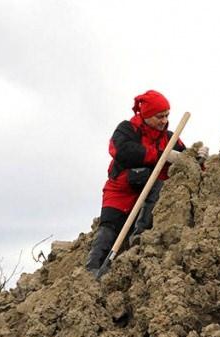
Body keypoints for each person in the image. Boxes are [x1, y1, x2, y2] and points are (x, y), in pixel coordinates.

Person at [85, 90, 209, 276]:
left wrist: (198, 159)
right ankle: (91, 271)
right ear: (146, 115)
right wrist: (160, 155)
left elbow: (187, 163)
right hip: (121, 188)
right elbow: (122, 150)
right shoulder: (127, 129)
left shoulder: (170, 138)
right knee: (109, 226)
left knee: (158, 186)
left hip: (151, 192)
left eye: (167, 116)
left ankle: (140, 238)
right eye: (159, 116)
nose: (164, 121)